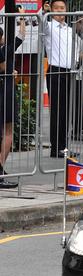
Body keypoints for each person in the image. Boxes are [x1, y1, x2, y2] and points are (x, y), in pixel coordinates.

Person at [44, 0, 79, 158]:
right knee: (57, 111)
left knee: (66, 111)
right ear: (52, 10)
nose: (59, 11)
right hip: (55, 71)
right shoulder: (49, 26)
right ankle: (55, 147)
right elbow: (42, 22)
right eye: (56, 8)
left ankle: (63, 146)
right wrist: (45, 13)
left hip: (69, 72)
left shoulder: (70, 29)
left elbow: (76, 48)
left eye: (62, 8)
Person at [0, 13, 27, 188]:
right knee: (7, 131)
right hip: (5, 92)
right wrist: (22, 18)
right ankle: (0, 167)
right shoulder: (4, 51)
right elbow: (21, 36)